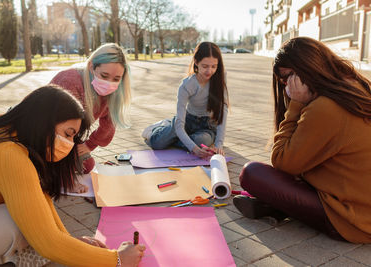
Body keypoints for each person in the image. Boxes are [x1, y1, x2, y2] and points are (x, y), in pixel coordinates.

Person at [0, 86, 145, 266]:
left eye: (73, 138)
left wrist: (69, 241)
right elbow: (47, 241)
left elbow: (39, 197)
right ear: (43, 121)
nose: (69, 144)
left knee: (30, 213)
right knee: (17, 223)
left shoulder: (4, 129)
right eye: (67, 134)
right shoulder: (9, 155)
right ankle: (10, 255)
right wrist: (117, 260)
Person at [234, 37, 371, 243]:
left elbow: (282, 162)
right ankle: (273, 207)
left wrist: (295, 106)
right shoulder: (354, 86)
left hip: (356, 222)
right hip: (359, 202)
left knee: (251, 173)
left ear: (308, 67)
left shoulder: (325, 107)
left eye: (288, 77)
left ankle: (276, 207)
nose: (287, 86)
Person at [50, 43, 131, 179]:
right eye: (104, 76)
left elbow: (109, 126)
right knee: (61, 173)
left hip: (69, 136)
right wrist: (67, 176)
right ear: (91, 67)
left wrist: (89, 144)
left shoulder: (112, 93)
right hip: (47, 135)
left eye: (116, 79)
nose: (109, 83)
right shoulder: (70, 81)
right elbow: (60, 129)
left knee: (87, 165)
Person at [142, 42, 229, 158]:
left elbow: (223, 111)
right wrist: (194, 149)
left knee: (202, 140)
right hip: (187, 120)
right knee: (157, 143)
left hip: (207, 126)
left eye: (214, 66)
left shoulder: (220, 77)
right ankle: (163, 128)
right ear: (196, 62)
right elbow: (180, 125)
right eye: (205, 66)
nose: (209, 71)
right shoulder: (187, 85)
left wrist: (219, 145)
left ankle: (177, 138)